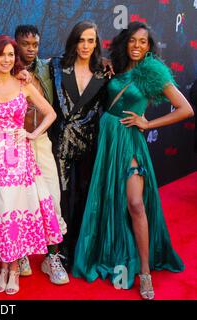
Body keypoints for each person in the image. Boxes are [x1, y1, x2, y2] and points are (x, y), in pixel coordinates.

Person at [73, 22, 193, 300]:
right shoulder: (113, 65)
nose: (137, 46)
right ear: (125, 43)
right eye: (133, 41)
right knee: (109, 199)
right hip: (107, 137)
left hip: (129, 140)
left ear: (150, 46)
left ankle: (145, 271)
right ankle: (109, 252)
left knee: (135, 203)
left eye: (143, 42)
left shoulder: (153, 73)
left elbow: (186, 109)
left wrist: (148, 124)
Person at [0, 35, 63, 295]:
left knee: (14, 211)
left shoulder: (23, 83)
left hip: (18, 158)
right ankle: (3, 266)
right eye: (2, 54)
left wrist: (32, 134)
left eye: (11, 55)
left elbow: (50, 113)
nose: (7, 59)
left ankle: (14, 269)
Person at [49, 21, 109, 272]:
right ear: (74, 41)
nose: (86, 45)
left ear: (96, 44)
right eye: (81, 40)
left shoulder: (104, 71)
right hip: (61, 140)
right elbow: (29, 68)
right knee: (60, 197)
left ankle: (80, 250)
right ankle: (57, 253)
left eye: (91, 40)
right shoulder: (56, 66)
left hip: (89, 141)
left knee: (83, 196)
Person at [14, 24, 68, 285]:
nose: (32, 49)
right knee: (20, 202)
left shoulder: (48, 67)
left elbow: (78, 59)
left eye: (35, 44)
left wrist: (102, 61)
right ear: (15, 44)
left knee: (52, 200)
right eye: (26, 44)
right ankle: (22, 253)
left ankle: (52, 257)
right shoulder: (4, 69)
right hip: (15, 145)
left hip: (42, 141)